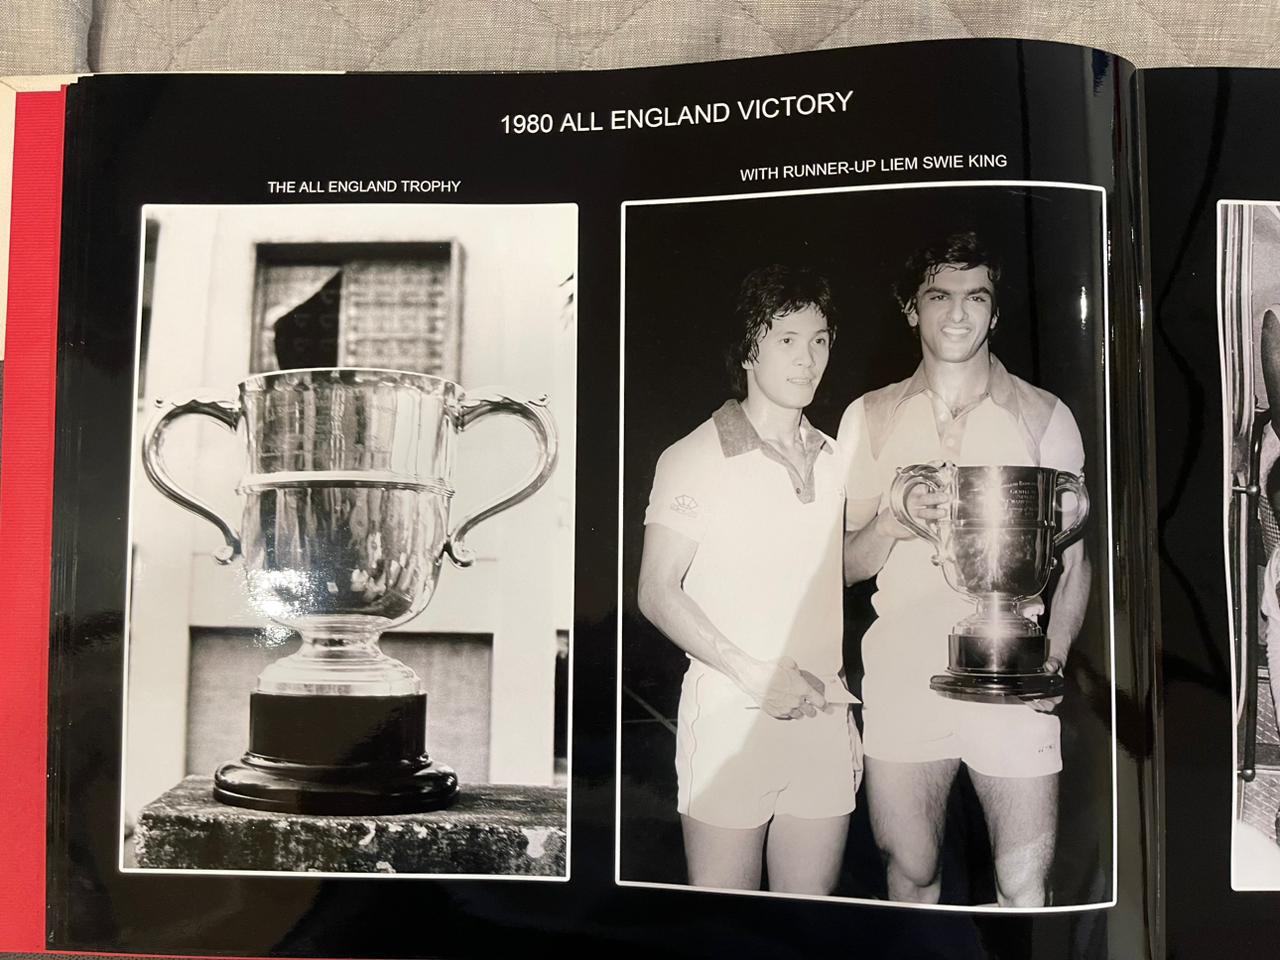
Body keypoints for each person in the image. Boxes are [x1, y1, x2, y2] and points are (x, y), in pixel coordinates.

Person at [839, 231, 1091, 907]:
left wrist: (1055, 656)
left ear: (996, 311)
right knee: (912, 870)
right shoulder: (867, 418)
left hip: (1012, 679)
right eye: (939, 296)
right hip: (901, 676)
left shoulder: (1046, 416)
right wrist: (890, 522)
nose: (957, 314)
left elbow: (1075, 563)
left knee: (1023, 883)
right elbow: (840, 567)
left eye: (975, 297)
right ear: (910, 308)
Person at [636, 263, 861, 894]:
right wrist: (750, 669)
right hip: (734, 715)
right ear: (749, 348)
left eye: (818, 339)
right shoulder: (694, 456)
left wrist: (898, 519)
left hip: (823, 714)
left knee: (807, 936)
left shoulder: (836, 456)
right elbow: (656, 590)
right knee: (727, 934)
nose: (806, 357)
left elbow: (839, 567)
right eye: (786, 339)